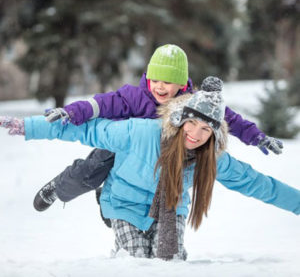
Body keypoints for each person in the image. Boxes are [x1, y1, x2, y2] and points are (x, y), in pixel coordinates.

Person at [0, 78, 299, 261]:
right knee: (137, 262)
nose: (195, 134)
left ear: (214, 135)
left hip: (171, 209)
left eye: (206, 129)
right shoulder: (141, 133)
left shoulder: (212, 159)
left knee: (169, 262)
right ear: (181, 119)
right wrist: (26, 127)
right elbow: (82, 131)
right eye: (191, 123)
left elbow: (258, 183)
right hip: (124, 203)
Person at [27, 44, 283, 215]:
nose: (160, 87)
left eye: (168, 82)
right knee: (89, 171)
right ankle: (57, 188)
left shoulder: (193, 101)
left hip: (156, 156)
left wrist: (257, 137)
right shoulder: (134, 96)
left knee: (151, 192)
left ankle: (112, 198)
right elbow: (100, 104)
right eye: (155, 80)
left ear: (181, 84)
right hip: (120, 146)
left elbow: (229, 119)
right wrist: (72, 111)